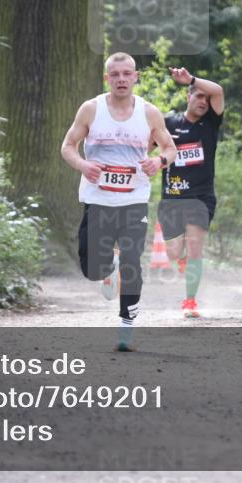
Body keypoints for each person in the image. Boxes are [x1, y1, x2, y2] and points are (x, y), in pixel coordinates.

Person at [61, 52, 177, 351]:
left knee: (132, 261)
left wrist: (159, 161)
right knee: (91, 270)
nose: (122, 79)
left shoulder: (149, 113)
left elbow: (170, 148)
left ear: (136, 77)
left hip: (133, 201)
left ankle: (126, 329)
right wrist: (83, 166)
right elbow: (68, 146)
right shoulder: (91, 109)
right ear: (107, 78)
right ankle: (107, 266)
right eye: (116, 74)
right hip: (97, 200)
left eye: (127, 73)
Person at [158, 67, 224, 318]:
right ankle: (186, 262)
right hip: (173, 197)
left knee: (195, 245)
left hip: (201, 198)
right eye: (198, 96)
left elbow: (218, 91)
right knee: (174, 253)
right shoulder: (168, 122)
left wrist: (193, 80)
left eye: (206, 99)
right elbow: (148, 146)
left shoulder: (211, 124)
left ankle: (190, 302)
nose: (203, 102)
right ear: (188, 98)